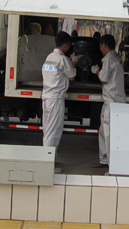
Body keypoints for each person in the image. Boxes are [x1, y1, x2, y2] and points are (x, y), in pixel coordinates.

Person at [41, 31, 77, 169]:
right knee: (53, 132)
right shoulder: (62, 59)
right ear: (66, 45)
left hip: (47, 97)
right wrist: (74, 63)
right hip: (55, 99)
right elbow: (72, 76)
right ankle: (48, 165)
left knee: (48, 130)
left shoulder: (49, 57)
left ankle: (50, 160)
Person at [90, 34, 126, 168]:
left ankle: (112, 164)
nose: (100, 48)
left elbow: (103, 79)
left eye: (101, 45)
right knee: (104, 131)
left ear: (104, 45)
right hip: (114, 100)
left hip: (112, 102)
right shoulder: (116, 57)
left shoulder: (108, 59)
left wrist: (96, 71)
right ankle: (104, 159)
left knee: (109, 133)